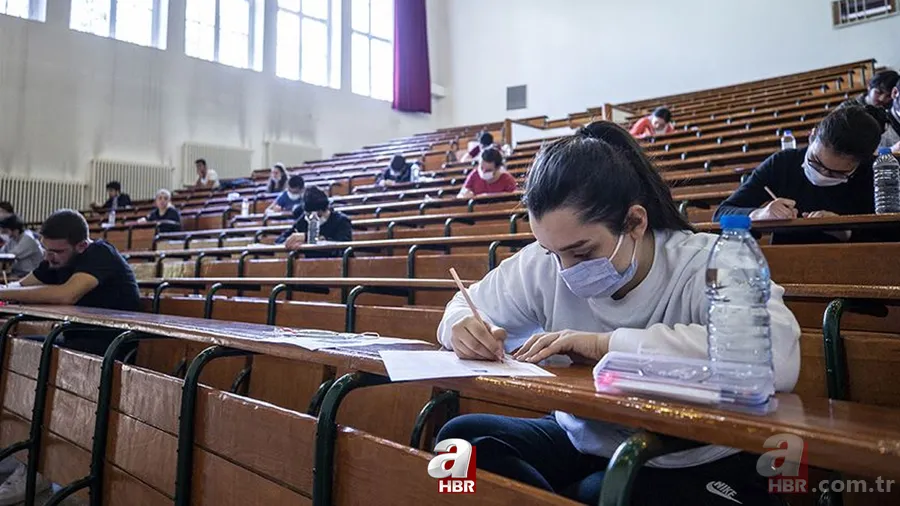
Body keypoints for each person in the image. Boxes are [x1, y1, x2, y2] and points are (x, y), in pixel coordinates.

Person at [435, 121, 800, 506]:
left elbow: (775, 358)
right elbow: (463, 304)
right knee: (460, 443)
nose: (564, 271)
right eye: (550, 253)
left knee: (602, 492)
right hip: (586, 436)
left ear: (635, 222)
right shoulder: (545, 262)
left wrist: (605, 345)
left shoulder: (707, 261)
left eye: (582, 253)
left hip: (693, 452)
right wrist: (461, 327)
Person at [0, 209, 140, 503]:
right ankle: (23, 449)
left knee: (35, 359)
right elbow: (20, 287)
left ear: (81, 246)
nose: (50, 258)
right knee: (12, 350)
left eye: (57, 251)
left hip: (111, 347)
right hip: (75, 341)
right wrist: (6, 292)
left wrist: (5, 292)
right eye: (46, 249)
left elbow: (67, 295)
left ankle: (37, 465)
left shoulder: (99, 254)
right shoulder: (56, 258)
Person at [713, 105, 888, 244]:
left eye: (836, 173)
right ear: (812, 136)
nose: (822, 173)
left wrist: (847, 232)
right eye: (815, 162)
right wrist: (759, 215)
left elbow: (891, 239)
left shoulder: (877, 174)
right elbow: (721, 214)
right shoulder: (783, 163)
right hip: (784, 272)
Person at [276, 186, 352, 257]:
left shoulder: (341, 221)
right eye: (309, 215)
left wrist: (308, 238)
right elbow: (280, 240)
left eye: (318, 215)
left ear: (326, 209)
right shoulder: (303, 220)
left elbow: (342, 249)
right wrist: (291, 242)